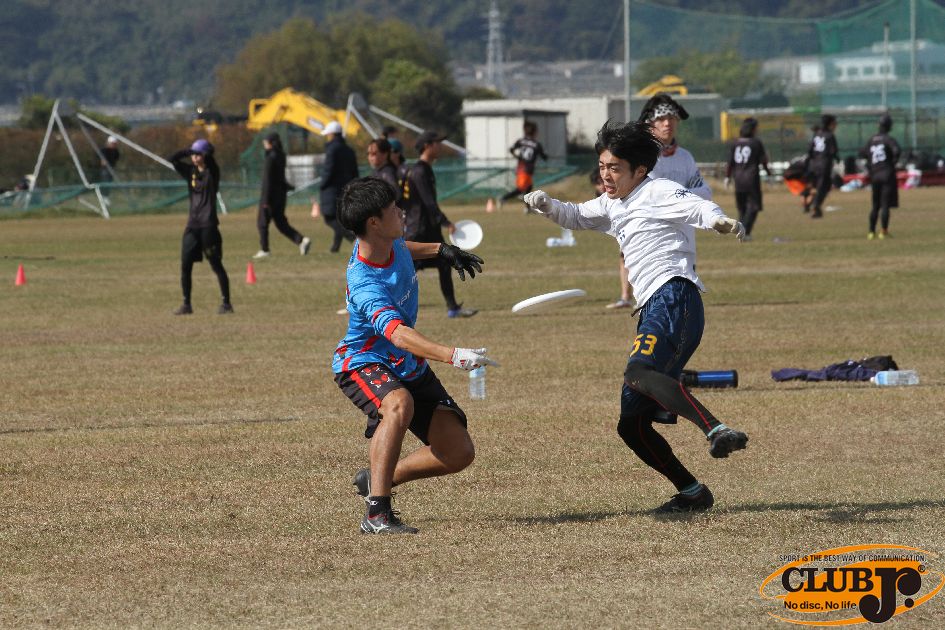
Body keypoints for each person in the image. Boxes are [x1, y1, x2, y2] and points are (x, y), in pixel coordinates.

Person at [523, 120, 749, 513]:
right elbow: (576, 215)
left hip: (674, 295)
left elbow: (696, 206)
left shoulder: (658, 190)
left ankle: (715, 428)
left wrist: (718, 221)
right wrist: (546, 205)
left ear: (639, 170)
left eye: (614, 168)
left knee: (638, 372)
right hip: (651, 307)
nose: (605, 175)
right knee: (631, 424)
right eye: (602, 166)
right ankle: (692, 493)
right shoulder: (611, 203)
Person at [333, 176, 495, 534]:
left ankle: (377, 479)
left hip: (404, 364)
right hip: (363, 361)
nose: (402, 212)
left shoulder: (387, 244)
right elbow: (399, 335)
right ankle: (376, 515)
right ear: (374, 222)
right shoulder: (364, 283)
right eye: (394, 209)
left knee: (458, 452)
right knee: (398, 404)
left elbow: (403, 248)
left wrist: (441, 250)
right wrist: (453, 355)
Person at [401, 130, 477, 318]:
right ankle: (384, 306)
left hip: (428, 228)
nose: (441, 146)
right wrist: (445, 221)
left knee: (444, 263)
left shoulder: (423, 169)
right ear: (427, 146)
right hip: (419, 230)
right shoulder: (420, 171)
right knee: (404, 270)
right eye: (437, 143)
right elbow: (428, 202)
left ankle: (453, 308)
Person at [169, 139, 232, 315]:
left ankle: (226, 303)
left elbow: (211, 160)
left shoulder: (213, 172)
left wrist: (205, 152)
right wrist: (188, 151)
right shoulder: (190, 172)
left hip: (208, 225)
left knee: (215, 264)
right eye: (193, 155)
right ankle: (186, 304)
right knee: (185, 264)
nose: (195, 157)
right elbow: (172, 159)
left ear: (205, 155)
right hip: (192, 225)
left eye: (198, 154)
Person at [639, 93, 711, 200]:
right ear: (649, 124)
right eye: (661, 118)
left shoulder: (685, 157)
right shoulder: (641, 157)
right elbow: (649, 196)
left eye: (672, 118)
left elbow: (706, 192)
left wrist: (675, 196)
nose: (667, 123)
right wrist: (686, 196)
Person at [253, 132, 311, 259]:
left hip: (270, 196)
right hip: (281, 195)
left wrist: (265, 200)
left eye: (265, 141)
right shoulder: (281, 155)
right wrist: (288, 186)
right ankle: (301, 240)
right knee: (281, 223)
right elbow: (280, 177)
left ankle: (264, 249)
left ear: (270, 142)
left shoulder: (270, 157)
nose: (264, 143)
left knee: (262, 223)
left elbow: (268, 180)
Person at [725, 117, 769, 242]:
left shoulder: (735, 143)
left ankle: (742, 231)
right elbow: (763, 160)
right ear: (753, 129)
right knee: (754, 206)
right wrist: (768, 172)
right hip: (751, 178)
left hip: (738, 179)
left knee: (742, 207)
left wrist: (727, 177)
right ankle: (745, 232)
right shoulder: (756, 143)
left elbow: (730, 162)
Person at [595, 168, 633, 310]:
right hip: (623, 229)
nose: (601, 186)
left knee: (627, 258)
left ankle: (634, 298)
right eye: (598, 183)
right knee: (624, 259)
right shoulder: (603, 199)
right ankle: (626, 297)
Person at [319, 121, 360, 252]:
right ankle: (335, 247)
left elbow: (328, 169)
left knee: (330, 218)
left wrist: (322, 184)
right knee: (340, 217)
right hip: (347, 188)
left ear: (332, 134)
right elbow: (355, 172)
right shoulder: (349, 150)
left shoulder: (332, 150)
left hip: (332, 189)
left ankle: (354, 238)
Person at [861, 114, 901, 240]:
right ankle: (883, 231)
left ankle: (871, 232)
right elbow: (897, 151)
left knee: (875, 205)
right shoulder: (889, 139)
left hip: (875, 175)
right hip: (887, 174)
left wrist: (870, 166)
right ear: (889, 126)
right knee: (885, 205)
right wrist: (893, 163)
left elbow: (862, 153)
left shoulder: (871, 140)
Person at [498, 121, 548, 209]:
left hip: (521, 167)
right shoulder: (536, 144)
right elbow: (544, 157)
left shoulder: (521, 141)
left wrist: (518, 157)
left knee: (528, 187)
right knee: (521, 189)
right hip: (527, 169)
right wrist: (546, 156)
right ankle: (503, 198)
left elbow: (511, 149)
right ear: (535, 132)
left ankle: (527, 208)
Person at [806, 114, 839, 219]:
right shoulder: (830, 135)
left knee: (817, 187)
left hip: (814, 164)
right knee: (824, 187)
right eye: (834, 123)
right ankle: (815, 206)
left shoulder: (816, 134)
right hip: (824, 164)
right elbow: (833, 151)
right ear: (830, 124)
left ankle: (811, 203)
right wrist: (837, 159)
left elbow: (810, 150)